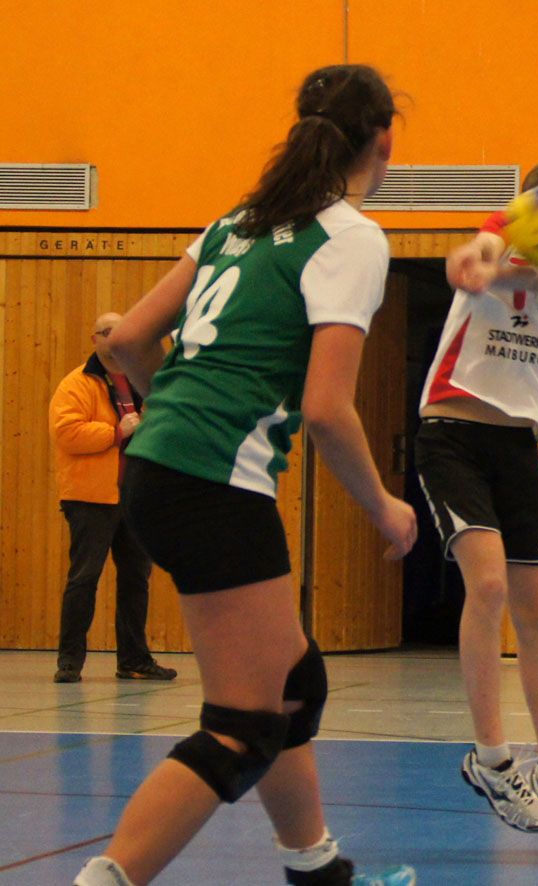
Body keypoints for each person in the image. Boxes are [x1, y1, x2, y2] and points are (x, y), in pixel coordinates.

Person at [72, 65, 417, 886]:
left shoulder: (235, 223)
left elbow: (127, 340)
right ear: (383, 140)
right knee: (242, 724)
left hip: (158, 468)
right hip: (212, 484)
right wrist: (384, 505)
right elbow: (326, 408)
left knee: (291, 685)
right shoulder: (351, 237)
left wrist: (172, 408)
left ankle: (317, 869)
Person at [414, 158, 538, 853]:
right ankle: (492, 761)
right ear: (530, 203)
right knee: (488, 585)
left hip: (518, 447)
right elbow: (476, 253)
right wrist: (478, 255)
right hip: (451, 434)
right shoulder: (496, 232)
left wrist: (493, 270)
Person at [48, 313, 178, 684]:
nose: (116, 337)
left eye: (121, 330)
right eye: (108, 332)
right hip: (90, 498)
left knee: (137, 578)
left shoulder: (142, 380)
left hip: (134, 496)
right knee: (84, 578)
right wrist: (115, 432)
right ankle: (69, 662)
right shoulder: (77, 383)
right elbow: (67, 433)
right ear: (95, 339)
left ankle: (134, 661)